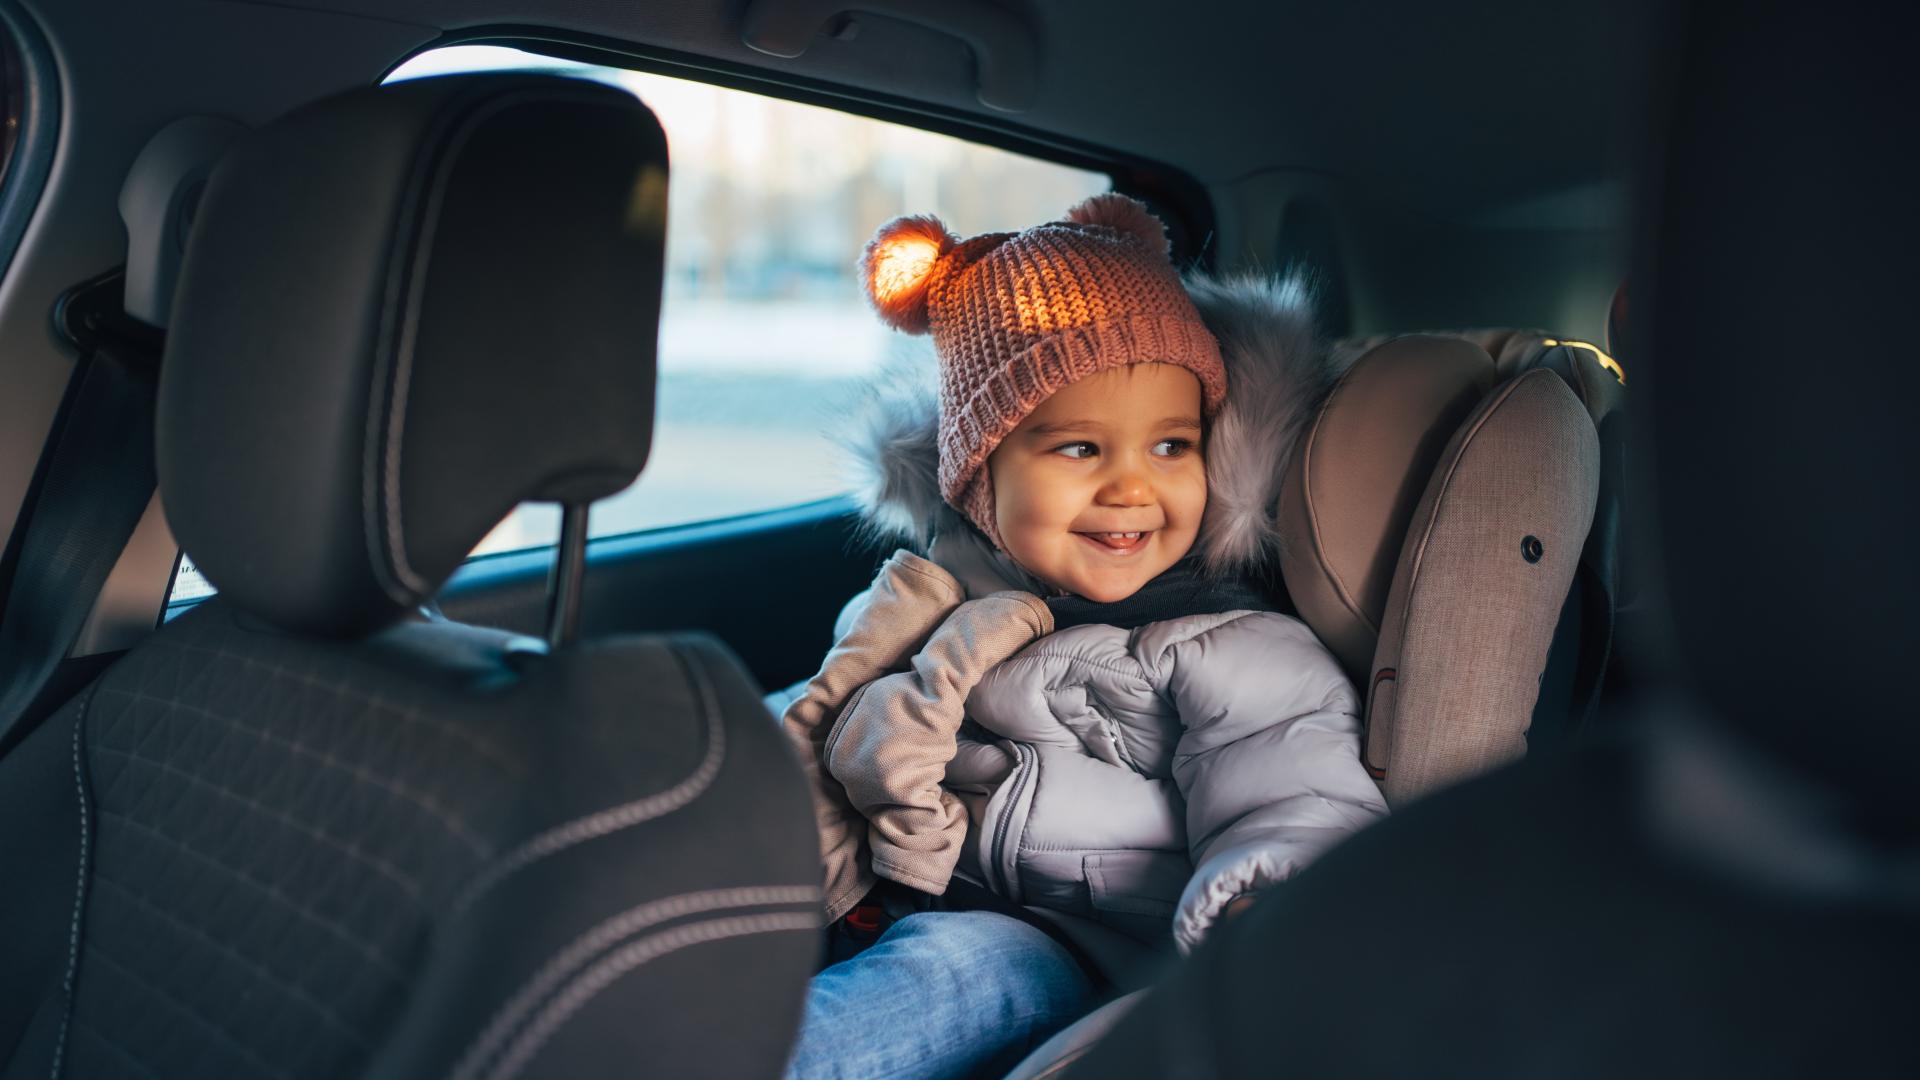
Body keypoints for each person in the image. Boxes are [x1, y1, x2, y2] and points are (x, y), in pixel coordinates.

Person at [777, 194, 1387, 1079]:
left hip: (1074, 947)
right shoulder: (925, 606)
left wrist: (1263, 901)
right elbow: (826, 717)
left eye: (1172, 446)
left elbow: (1291, 795)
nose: (1133, 488)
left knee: (956, 974)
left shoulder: (1229, 643)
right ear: (979, 474)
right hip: (890, 888)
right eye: (1079, 450)